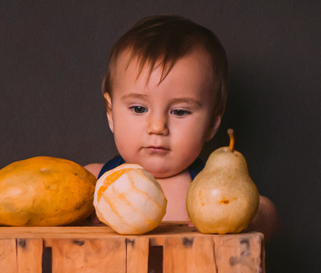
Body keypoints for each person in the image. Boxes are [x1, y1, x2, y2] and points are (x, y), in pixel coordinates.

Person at [86, 15, 278, 237]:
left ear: (213, 122)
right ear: (111, 114)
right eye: (139, 108)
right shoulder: (95, 181)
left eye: (179, 111)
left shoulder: (211, 191)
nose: (157, 127)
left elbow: (269, 214)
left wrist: (247, 215)